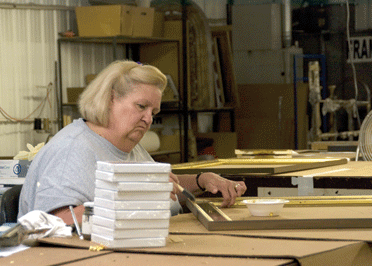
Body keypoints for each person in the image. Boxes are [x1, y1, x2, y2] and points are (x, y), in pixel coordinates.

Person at [18, 60, 246, 225]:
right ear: (110, 99)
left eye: (153, 111)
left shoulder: (128, 146)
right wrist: (138, 193)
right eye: (141, 107)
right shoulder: (72, 149)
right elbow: (56, 221)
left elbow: (163, 186)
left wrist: (202, 179)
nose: (149, 119)